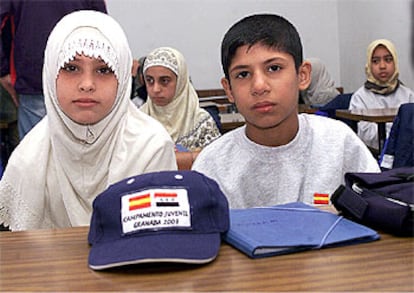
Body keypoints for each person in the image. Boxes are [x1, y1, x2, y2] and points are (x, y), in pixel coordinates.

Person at [0, 10, 177, 231]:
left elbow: (159, 240)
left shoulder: (150, 146)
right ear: (50, 72)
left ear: (122, 78)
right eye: (71, 68)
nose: (87, 84)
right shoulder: (30, 158)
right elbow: (19, 251)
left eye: (103, 69)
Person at [192, 14, 380, 209]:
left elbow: (379, 207)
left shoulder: (339, 143)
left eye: (274, 68)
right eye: (243, 74)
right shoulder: (212, 165)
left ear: (302, 75)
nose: (259, 86)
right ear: (229, 89)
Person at [0, 0, 107, 140]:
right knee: (81, 150)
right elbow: (102, 26)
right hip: (78, 77)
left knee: (34, 154)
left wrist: (3, 70)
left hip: (34, 78)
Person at [140, 46, 221, 152]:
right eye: (149, 80)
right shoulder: (138, 120)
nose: (156, 89)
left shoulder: (201, 122)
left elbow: (217, 163)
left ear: (180, 82)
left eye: (164, 81)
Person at [349, 39, 414, 150]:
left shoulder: (408, 95)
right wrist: (397, 131)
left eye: (388, 60)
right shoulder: (360, 98)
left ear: (395, 63)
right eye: (375, 61)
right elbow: (365, 135)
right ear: (369, 65)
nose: (382, 66)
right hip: (373, 157)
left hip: (405, 155)